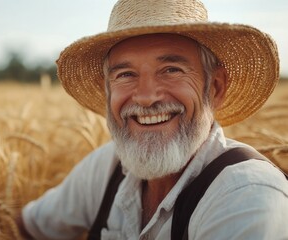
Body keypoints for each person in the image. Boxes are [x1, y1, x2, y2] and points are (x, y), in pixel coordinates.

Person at [16, 0, 288, 239]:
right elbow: (26, 228)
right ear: (108, 91)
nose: (146, 97)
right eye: (125, 74)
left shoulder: (246, 196)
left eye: (171, 69)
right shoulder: (106, 168)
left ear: (215, 87)